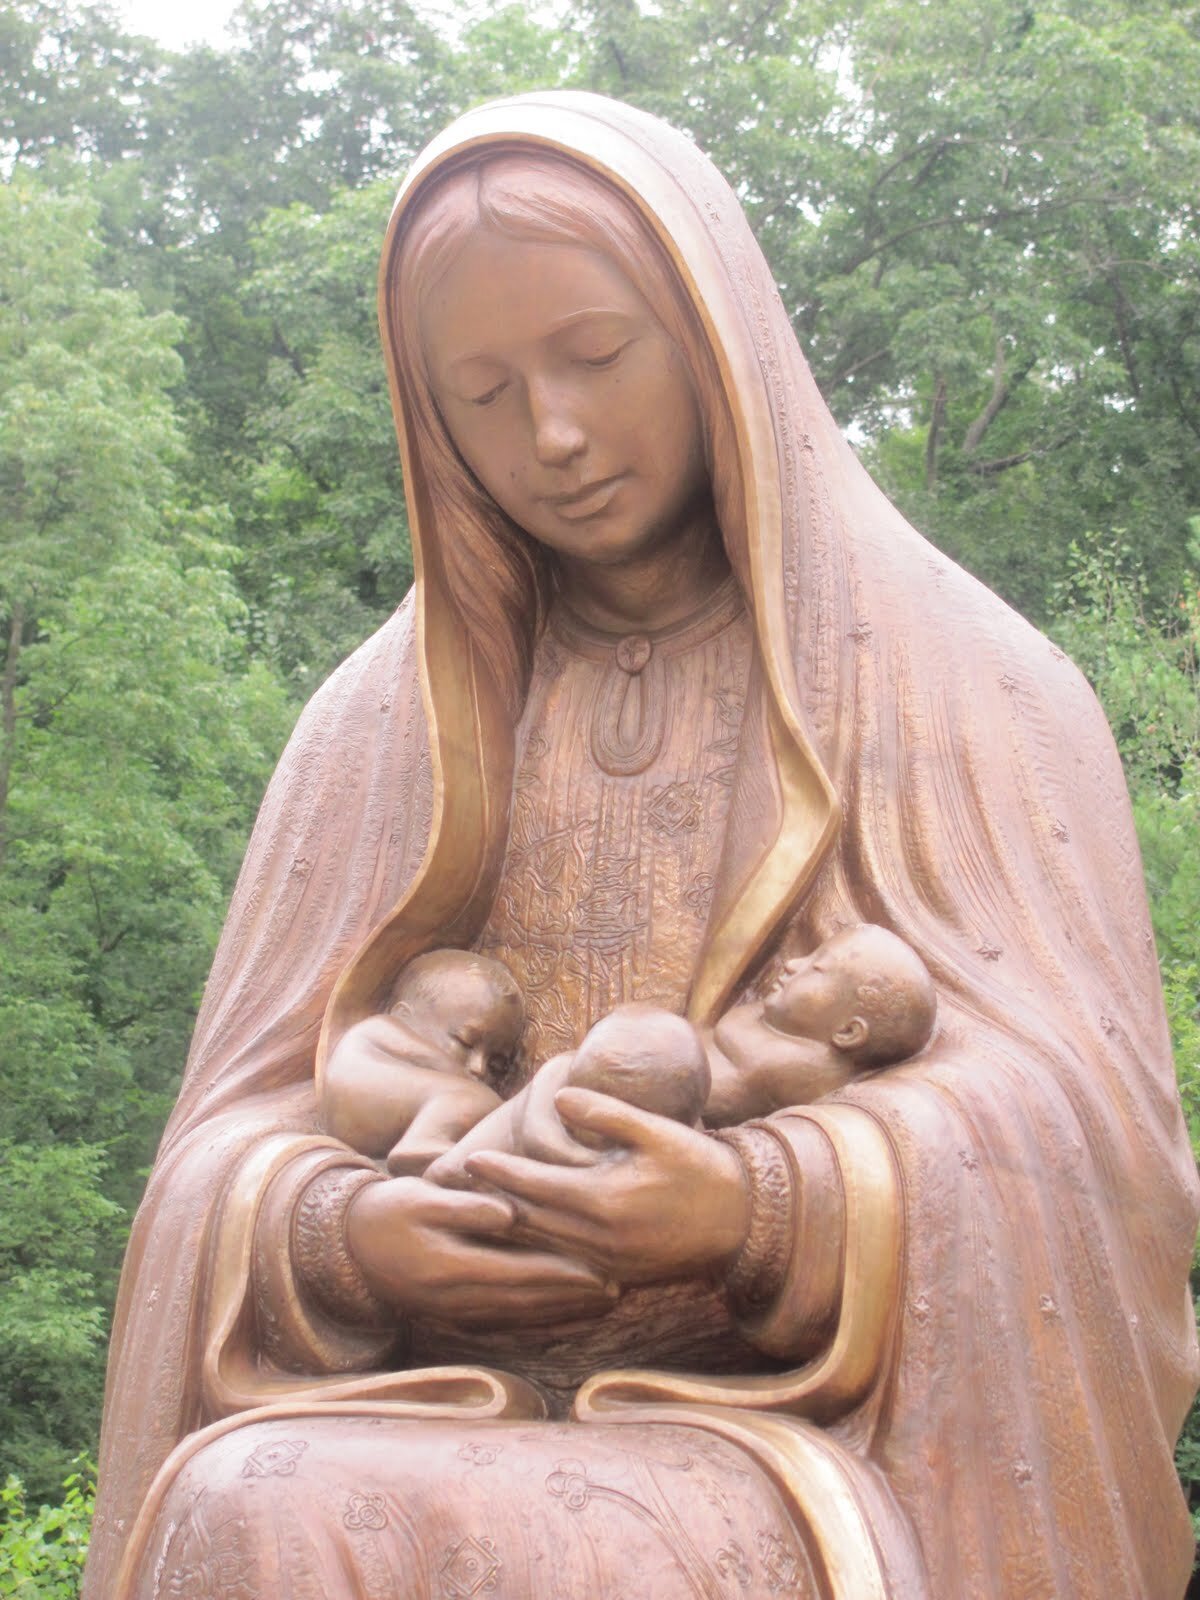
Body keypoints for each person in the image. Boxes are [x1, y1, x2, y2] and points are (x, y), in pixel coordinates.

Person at [84, 93, 1199, 1600]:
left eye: (598, 355)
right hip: (415, 1401)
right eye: (484, 393)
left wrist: (757, 1209)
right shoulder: (380, 726)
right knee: (247, 1506)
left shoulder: (965, 685)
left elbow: (1090, 1152)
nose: (551, 435)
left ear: (711, 335)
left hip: (772, 1431)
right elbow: (218, 1149)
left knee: (608, 1551)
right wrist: (350, 1234)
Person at [429, 924, 935, 1187]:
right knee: (552, 1087)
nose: (793, 963)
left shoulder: (804, 1069)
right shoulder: (775, 1026)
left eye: (817, 969)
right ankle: (454, 1162)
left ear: (847, 1032)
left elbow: (716, 1095)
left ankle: (458, 1165)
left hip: (650, 1107)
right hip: (622, 1078)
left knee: (557, 1090)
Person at [319, 948, 521, 1172]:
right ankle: (422, 1144)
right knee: (480, 1100)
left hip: (373, 1129)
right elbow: (438, 1064)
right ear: (403, 1017)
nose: (479, 1069)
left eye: (496, 1066)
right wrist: (492, 1103)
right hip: (359, 1095)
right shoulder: (378, 1029)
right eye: (464, 1042)